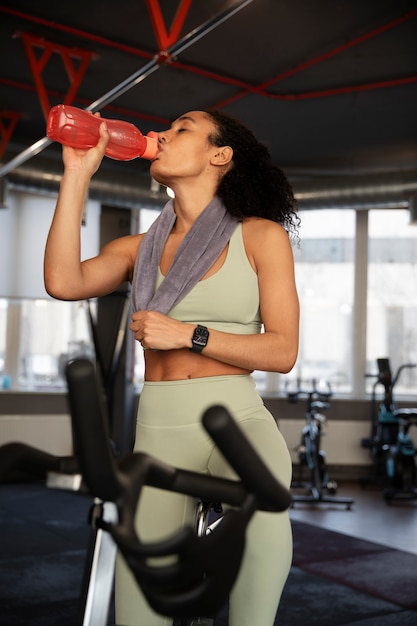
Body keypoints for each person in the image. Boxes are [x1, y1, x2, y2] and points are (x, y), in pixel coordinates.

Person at [44, 108, 300, 626]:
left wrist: (189, 334)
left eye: (181, 128)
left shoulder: (259, 237)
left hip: (235, 420)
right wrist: (77, 172)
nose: (159, 135)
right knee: (143, 596)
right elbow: (63, 282)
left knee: (265, 522)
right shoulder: (139, 249)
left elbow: (282, 352)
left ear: (219, 154)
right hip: (159, 426)